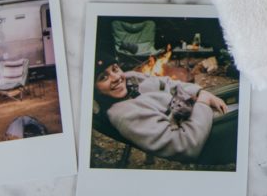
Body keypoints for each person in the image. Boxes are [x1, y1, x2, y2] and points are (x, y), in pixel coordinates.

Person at [93, 54, 232, 163]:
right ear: (95, 90)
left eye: (115, 69)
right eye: (103, 77)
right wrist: (203, 103)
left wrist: (199, 92)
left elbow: (167, 83)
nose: (116, 77)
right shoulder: (125, 115)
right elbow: (184, 145)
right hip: (210, 128)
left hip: (196, 111)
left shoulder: (132, 80)